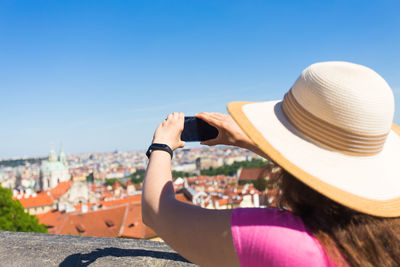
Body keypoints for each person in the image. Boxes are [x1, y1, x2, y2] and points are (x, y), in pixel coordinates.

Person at [141, 61, 400, 267]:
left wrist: (162, 145)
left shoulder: (287, 243)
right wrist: (251, 141)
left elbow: (156, 211)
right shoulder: (387, 232)